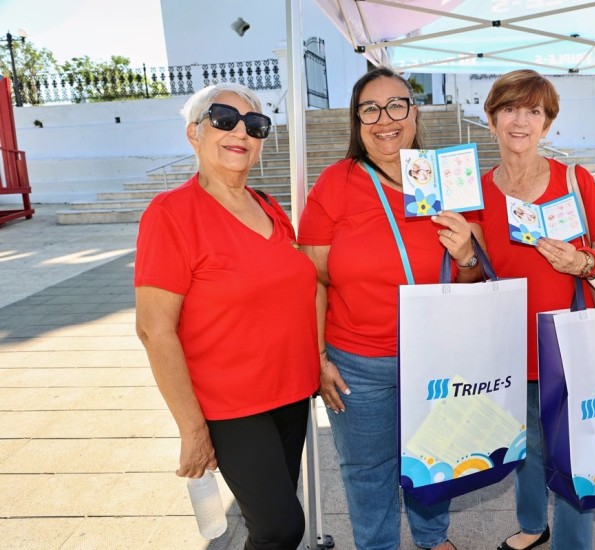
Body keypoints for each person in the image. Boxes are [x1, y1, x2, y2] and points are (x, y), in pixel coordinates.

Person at [298, 66, 482, 550]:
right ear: (357, 122)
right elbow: (311, 279)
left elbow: (476, 278)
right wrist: (316, 358)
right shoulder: (335, 183)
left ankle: (432, 537)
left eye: (397, 104)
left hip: (437, 355)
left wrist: (466, 255)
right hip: (358, 361)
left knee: (435, 456)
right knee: (366, 470)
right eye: (370, 109)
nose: (385, 119)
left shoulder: (446, 176)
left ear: (414, 112)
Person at [134, 83, 319, 549]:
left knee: (274, 520)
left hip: (292, 393)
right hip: (231, 404)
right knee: (281, 528)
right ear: (194, 134)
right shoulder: (171, 213)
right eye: (224, 119)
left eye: (255, 126)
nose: (241, 132)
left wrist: (319, 357)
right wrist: (192, 428)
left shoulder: (270, 206)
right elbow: (154, 329)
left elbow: (298, 289)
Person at [478, 69, 595, 550]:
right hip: (507, 344)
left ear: (548, 123)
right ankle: (531, 526)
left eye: (533, 111)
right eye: (510, 109)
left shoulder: (573, 180)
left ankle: (571, 543)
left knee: (574, 451)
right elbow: (473, 268)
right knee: (526, 444)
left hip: (570, 343)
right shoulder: (476, 191)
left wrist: (583, 261)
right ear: (493, 117)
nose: (521, 121)